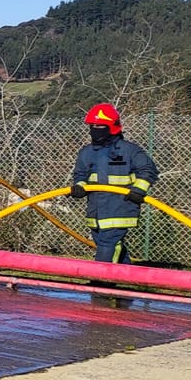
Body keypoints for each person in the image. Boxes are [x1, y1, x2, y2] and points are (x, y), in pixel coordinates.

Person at [69, 103, 158, 263]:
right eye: (93, 126)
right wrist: (79, 187)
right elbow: (80, 174)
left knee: (108, 245)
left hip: (120, 208)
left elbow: (148, 170)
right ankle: (129, 278)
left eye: (100, 126)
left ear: (112, 127)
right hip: (95, 212)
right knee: (110, 245)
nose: (95, 130)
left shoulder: (129, 151)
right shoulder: (87, 153)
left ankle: (101, 282)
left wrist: (139, 189)